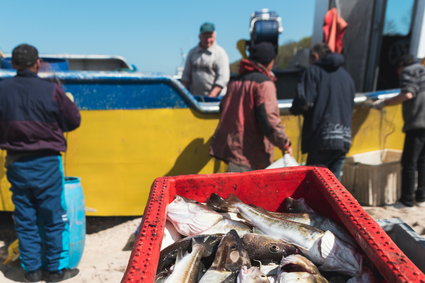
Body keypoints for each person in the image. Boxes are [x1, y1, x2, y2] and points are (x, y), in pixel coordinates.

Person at [0, 44, 81, 282]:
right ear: (37, 63)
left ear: (13, 64)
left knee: (26, 217)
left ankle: (32, 271)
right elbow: (73, 120)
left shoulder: (2, 90)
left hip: (16, 164)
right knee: (52, 216)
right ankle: (55, 271)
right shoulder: (51, 90)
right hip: (46, 163)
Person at [209, 42, 291, 172]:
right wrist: (284, 142)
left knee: (234, 191)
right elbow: (268, 119)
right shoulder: (265, 84)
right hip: (253, 156)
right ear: (270, 62)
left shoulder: (235, 82)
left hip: (233, 152)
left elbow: (223, 107)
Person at [290, 43, 355, 179]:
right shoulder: (347, 76)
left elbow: (303, 102)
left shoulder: (312, 72)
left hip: (320, 138)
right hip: (344, 138)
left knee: (315, 184)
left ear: (314, 56)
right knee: (334, 188)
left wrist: (294, 109)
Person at [372, 54, 425, 207]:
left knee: (409, 162)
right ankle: (421, 198)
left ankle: (406, 200)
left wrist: (384, 103)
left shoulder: (408, 71)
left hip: (416, 123)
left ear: (401, 65)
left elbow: (408, 94)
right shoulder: (423, 70)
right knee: (422, 162)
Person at [181, 22, 230, 98]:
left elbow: (223, 79)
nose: (208, 40)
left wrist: (211, 96)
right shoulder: (192, 53)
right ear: (199, 36)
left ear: (214, 35)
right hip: (194, 99)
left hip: (216, 100)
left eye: (210, 37)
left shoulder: (220, 53)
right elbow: (186, 77)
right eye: (205, 37)